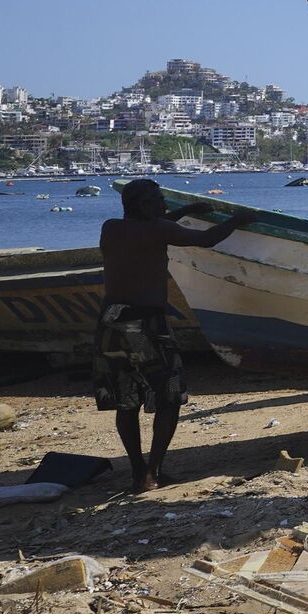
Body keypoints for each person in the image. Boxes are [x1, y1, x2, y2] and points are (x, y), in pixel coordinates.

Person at [97, 179, 254, 492]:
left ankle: (137, 472)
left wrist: (186, 210)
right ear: (143, 205)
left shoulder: (111, 228)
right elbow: (207, 239)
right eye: (157, 200)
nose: (163, 205)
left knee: (126, 400)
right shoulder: (158, 230)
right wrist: (240, 219)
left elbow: (152, 224)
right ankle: (153, 472)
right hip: (146, 323)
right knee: (169, 396)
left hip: (110, 324)